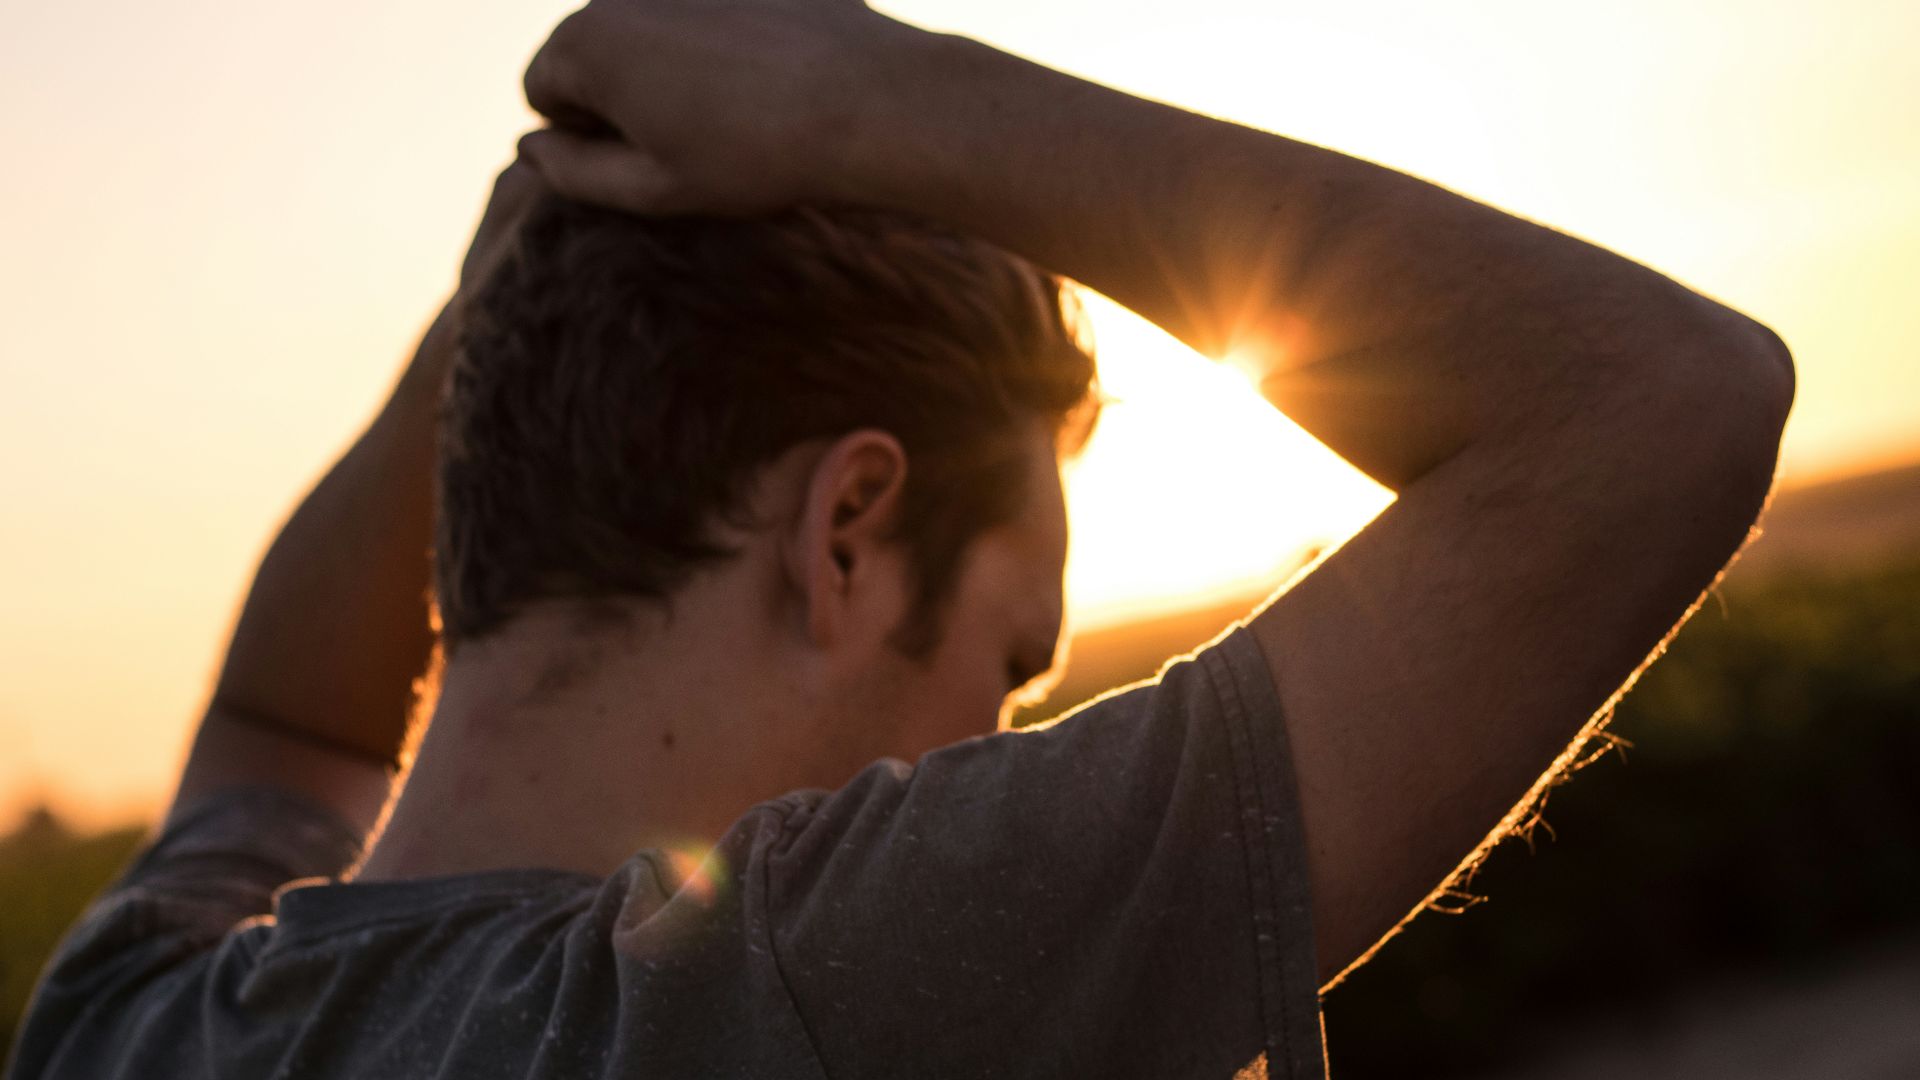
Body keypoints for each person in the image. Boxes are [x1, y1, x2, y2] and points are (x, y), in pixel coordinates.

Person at [7, 1, 1794, 1077]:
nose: (997, 740)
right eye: (1011, 663)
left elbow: (283, 727)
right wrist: (870, 94)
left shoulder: (135, 1011)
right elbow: (1658, 404)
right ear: (847, 531)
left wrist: (494, 309)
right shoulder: (799, 1003)